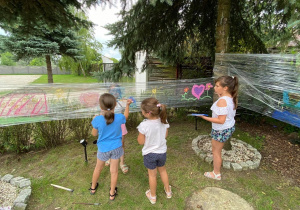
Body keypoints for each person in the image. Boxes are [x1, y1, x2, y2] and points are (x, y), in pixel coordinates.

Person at [89, 93, 132, 201]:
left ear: (100, 107)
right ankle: (112, 193)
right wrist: (127, 105)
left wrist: (94, 121)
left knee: (98, 168)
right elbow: (126, 116)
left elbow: (94, 134)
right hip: (117, 148)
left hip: (103, 149)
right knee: (114, 171)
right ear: (115, 105)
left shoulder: (97, 119)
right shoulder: (119, 117)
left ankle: (93, 187)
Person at [197, 76, 239, 180]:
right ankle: (216, 171)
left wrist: (205, 118)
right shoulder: (230, 97)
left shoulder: (223, 101)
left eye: (217, 86)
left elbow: (221, 120)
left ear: (225, 88)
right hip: (226, 128)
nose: (214, 88)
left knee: (216, 152)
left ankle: (216, 173)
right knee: (216, 151)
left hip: (221, 129)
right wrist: (220, 95)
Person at [137, 98, 172, 204]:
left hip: (150, 154)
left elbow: (140, 142)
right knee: (163, 171)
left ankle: (152, 196)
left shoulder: (144, 125)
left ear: (147, 113)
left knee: (152, 175)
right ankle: (168, 191)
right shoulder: (163, 121)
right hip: (162, 153)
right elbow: (165, 136)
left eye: (142, 111)